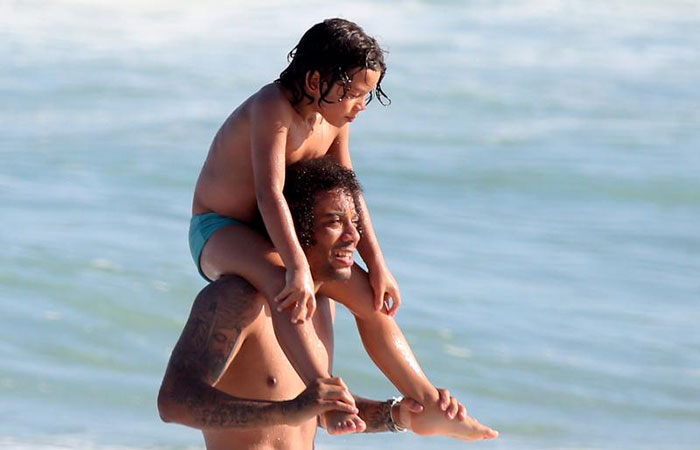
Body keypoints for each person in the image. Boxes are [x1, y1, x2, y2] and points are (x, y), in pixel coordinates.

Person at [160, 159, 499, 449]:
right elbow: (173, 401)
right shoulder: (237, 299)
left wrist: (400, 415)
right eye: (335, 222)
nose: (353, 237)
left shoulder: (324, 305)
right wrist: (289, 411)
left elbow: (315, 412)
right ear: (291, 229)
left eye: (354, 223)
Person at [189, 18, 399, 432]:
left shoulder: (334, 120)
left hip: (271, 232)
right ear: (317, 79)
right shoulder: (272, 107)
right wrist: (299, 266)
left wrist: (377, 263)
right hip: (220, 228)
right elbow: (269, 192)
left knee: (364, 292)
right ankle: (324, 394)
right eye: (354, 93)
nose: (360, 105)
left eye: (368, 96)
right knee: (283, 277)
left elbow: (351, 195)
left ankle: (426, 400)